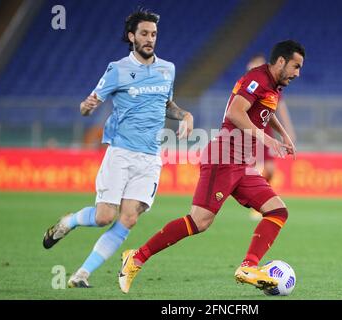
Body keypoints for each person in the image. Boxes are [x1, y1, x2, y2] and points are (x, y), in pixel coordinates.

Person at [118, 40, 305, 294]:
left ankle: (248, 266)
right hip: (223, 158)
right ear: (281, 61)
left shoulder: (273, 85)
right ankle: (137, 257)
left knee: (278, 211)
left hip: (241, 164)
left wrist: (283, 134)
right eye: (296, 66)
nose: (298, 73)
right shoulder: (257, 79)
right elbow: (235, 114)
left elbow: (266, 111)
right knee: (199, 221)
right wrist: (266, 138)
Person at [42, 8, 193, 288]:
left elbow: (167, 105)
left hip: (149, 158)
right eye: (145, 34)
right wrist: (85, 109)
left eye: (154, 34)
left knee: (129, 218)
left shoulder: (167, 69)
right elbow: (88, 106)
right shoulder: (117, 69)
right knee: (104, 217)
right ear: (131, 36)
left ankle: (81, 274)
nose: (150, 39)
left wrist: (185, 115)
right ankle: (70, 221)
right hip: (120, 153)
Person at [246, 54, 296, 220]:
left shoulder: (272, 87)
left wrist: (287, 131)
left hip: (267, 131)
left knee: (270, 170)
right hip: (253, 131)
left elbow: (280, 109)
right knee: (259, 168)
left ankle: (260, 201)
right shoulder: (249, 86)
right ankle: (258, 204)